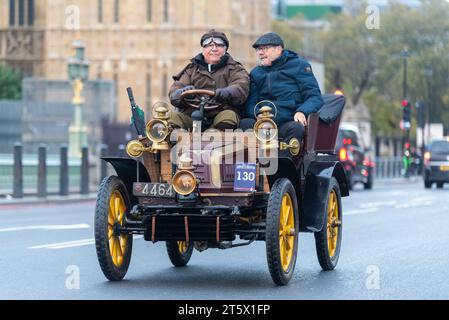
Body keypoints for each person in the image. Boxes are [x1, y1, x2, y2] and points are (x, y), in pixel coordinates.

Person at [241, 32, 324, 156]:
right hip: (263, 123)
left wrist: (301, 111)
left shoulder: (300, 66)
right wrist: (257, 114)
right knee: (245, 123)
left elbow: (315, 97)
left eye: (265, 49)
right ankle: (252, 167)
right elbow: (250, 103)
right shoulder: (255, 73)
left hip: (287, 121)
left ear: (279, 49)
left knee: (296, 128)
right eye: (259, 50)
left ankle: (282, 169)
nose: (260, 53)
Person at [168, 29, 250, 130]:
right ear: (203, 49)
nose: (214, 49)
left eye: (219, 45)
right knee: (171, 117)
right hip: (192, 117)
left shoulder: (235, 69)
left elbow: (241, 87)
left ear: (225, 49)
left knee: (229, 116)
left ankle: (218, 140)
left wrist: (225, 93)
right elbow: (175, 91)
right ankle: (178, 141)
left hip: (220, 115)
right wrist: (181, 92)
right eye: (209, 45)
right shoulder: (191, 70)